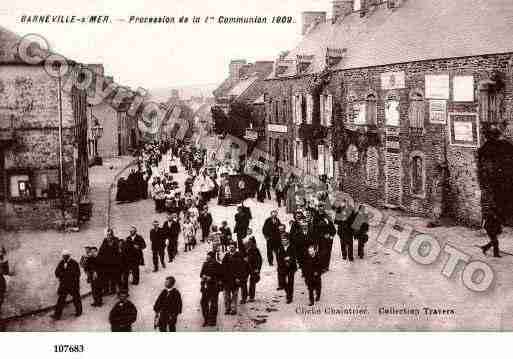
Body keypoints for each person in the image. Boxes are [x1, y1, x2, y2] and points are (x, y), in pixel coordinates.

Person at [52, 250, 82, 320]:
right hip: (64, 285)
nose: (64, 257)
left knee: (76, 298)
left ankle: (79, 312)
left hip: (73, 285)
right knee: (61, 300)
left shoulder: (74, 263)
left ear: (69, 256)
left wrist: (64, 275)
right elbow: (56, 272)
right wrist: (63, 275)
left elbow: (77, 274)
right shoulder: (61, 262)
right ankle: (57, 315)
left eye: (65, 256)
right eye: (63, 256)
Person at [221, 242, 246, 315]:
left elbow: (242, 268)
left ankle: (233, 309)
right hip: (227, 279)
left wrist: (239, 278)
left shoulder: (239, 255)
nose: (231, 248)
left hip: (235, 280)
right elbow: (223, 267)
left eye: (232, 247)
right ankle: (227, 308)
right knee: (226, 296)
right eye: (230, 247)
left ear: (235, 247)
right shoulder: (226, 255)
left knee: (234, 295)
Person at [200, 252, 223, 327]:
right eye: (207, 257)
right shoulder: (205, 264)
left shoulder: (218, 265)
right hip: (205, 287)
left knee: (213, 304)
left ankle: (213, 321)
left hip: (214, 287)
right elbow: (201, 274)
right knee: (203, 303)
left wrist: (212, 278)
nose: (207, 258)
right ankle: (206, 319)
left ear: (213, 258)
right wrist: (203, 276)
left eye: (209, 257)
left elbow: (221, 276)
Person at [98, 228, 122, 295]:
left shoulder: (116, 240)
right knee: (106, 277)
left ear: (112, 234)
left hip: (114, 262)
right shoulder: (105, 240)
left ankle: (113, 290)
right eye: (108, 235)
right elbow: (101, 250)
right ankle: (106, 290)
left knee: (114, 277)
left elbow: (119, 250)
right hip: (107, 262)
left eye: (110, 235)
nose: (109, 236)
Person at [277, 233, 297, 304]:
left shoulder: (292, 247)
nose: (283, 241)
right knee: (282, 282)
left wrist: (289, 260)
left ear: (288, 240)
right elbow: (279, 258)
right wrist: (283, 262)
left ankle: (289, 297)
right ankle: (288, 291)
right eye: (282, 240)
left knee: (290, 282)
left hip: (291, 267)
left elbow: (294, 256)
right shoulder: (280, 247)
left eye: (285, 240)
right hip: (283, 267)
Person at [244, 237, 262, 303]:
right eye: (249, 242)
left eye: (251, 242)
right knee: (244, 282)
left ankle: (251, 297)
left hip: (253, 268)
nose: (249, 244)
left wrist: (258, 269)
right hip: (246, 268)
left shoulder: (255, 250)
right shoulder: (244, 249)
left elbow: (259, 260)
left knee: (252, 282)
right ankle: (245, 296)